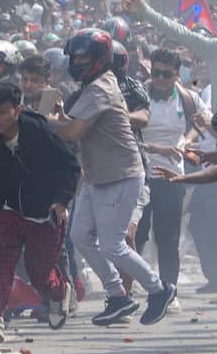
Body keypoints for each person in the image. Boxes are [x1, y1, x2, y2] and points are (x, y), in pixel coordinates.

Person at [48, 29, 176, 326]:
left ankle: (159, 289)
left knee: (112, 244)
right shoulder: (93, 85)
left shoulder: (99, 89)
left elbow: (73, 131)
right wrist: (55, 118)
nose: (76, 62)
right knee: (79, 236)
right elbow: (73, 123)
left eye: (82, 57)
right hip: (96, 176)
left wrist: (44, 121)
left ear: (98, 59)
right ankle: (118, 295)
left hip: (120, 175)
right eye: (74, 56)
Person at [0, 84, 81, 341]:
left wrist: (61, 202)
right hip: (11, 212)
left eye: (2, 112)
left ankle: (60, 291)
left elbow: (70, 166)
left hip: (45, 213)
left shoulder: (38, 131)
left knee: (39, 272)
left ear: (17, 111)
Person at [136, 47, 210, 293]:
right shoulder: (138, 96)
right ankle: (129, 288)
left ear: (177, 75)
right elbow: (120, 133)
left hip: (171, 177)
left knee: (167, 237)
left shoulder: (188, 98)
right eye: (155, 73)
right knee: (136, 235)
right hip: (138, 176)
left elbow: (205, 124)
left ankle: (169, 290)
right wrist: (153, 148)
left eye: (166, 74)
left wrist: (188, 140)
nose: (159, 79)